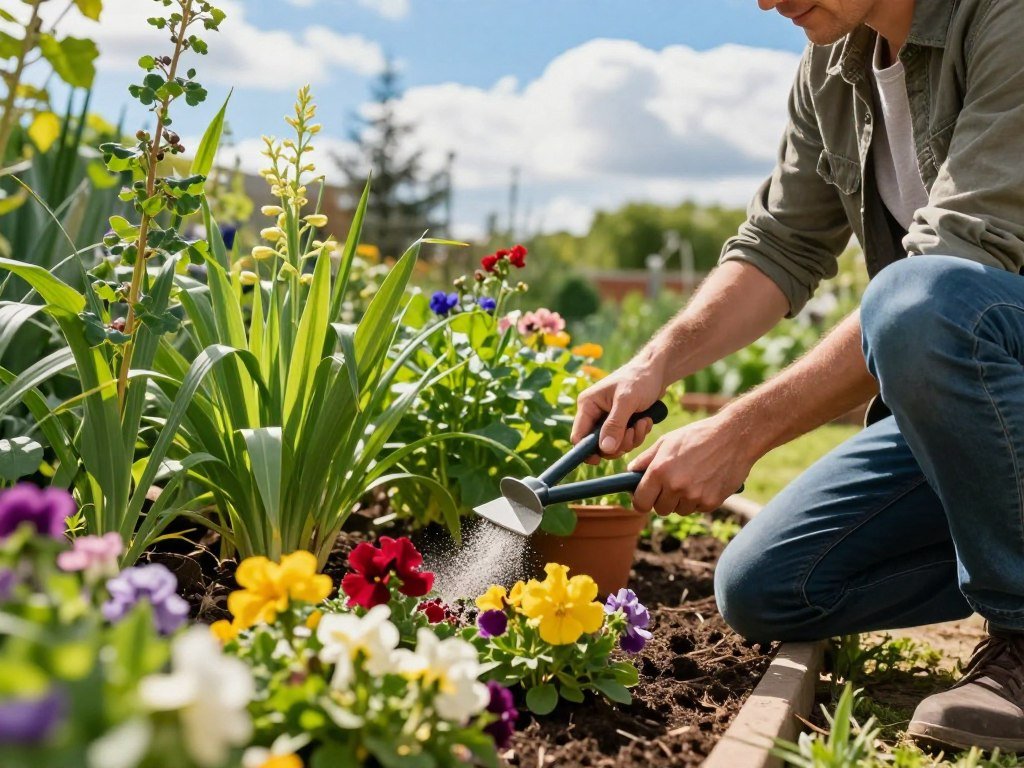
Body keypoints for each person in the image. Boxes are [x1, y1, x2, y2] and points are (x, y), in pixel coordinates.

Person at [571, 0, 1024, 753]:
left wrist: (740, 432)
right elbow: (780, 243)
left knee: (918, 300)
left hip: (990, 347)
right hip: (987, 411)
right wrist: (655, 364)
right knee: (771, 583)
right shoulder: (834, 67)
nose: (765, 1)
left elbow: (957, 266)